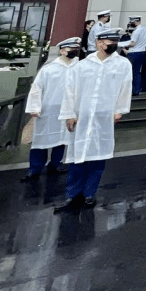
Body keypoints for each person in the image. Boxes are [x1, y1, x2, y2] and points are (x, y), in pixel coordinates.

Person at [56, 29, 132, 212]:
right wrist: (69, 113)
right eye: (109, 41)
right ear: (98, 43)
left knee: (98, 157)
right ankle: (72, 194)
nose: (112, 44)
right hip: (82, 116)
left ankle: (89, 193)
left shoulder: (122, 64)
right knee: (77, 158)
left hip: (104, 117)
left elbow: (125, 88)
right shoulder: (83, 65)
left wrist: (119, 111)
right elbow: (70, 90)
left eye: (115, 41)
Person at [22, 37, 81, 182]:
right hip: (48, 109)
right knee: (41, 140)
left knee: (62, 139)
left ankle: (55, 164)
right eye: (70, 49)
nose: (73, 51)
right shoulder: (49, 69)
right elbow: (37, 89)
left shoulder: (79, 68)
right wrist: (34, 107)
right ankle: (35, 168)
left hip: (68, 110)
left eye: (75, 49)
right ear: (62, 51)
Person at [120, 15, 146, 95]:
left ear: (137, 21)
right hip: (142, 52)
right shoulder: (145, 29)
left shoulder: (137, 31)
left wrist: (120, 44)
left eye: (133, 22)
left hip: (133, 53)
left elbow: (132, 43)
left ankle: (130, 90)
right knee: (137, 72)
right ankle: (136, 90)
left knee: (130, 72)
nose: (131, 23)